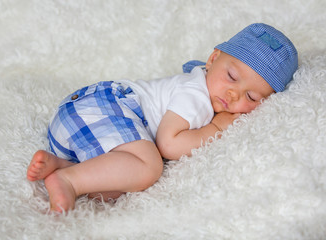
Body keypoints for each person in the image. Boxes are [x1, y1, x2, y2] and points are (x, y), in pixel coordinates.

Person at [27, 23, 298, 212]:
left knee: (116, 188)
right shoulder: (196, 94)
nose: (234, 94)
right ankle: (69, 181)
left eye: (251, 98)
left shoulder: (205, 91)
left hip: (78, 130)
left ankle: (63, 165)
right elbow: (169, 144)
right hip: (101, 107)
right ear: (213, 59)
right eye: (232, 76)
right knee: (148, 167)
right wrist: (216, 127)